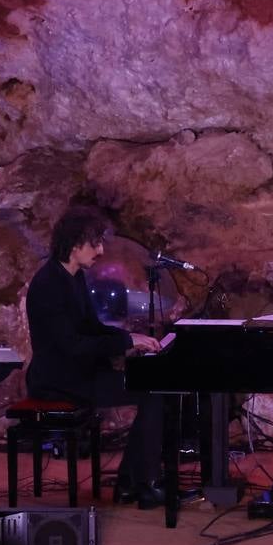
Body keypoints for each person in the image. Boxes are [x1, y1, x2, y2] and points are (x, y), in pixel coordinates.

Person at [26, 205, 169, 508]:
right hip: (59, 381)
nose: (101, 250)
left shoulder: (73, 277)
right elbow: (72, 345)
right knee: (152, 393)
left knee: (153, 389)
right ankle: (141, 483)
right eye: (95, 243)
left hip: (78, 373)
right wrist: (127, 340)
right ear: (75, 244)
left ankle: (132, 482)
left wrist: (131, 339)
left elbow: (91, 328)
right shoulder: (48, 284)